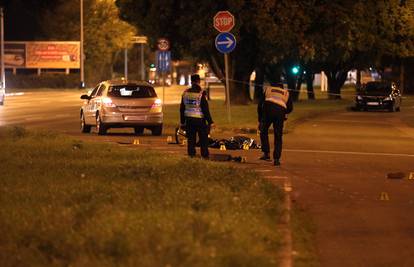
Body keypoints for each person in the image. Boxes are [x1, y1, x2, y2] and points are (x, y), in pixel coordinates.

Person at [257, 82, 293, 166]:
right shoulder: (286, 93)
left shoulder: (268, 89)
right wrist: (284, 113)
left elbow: (259, 105)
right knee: (278, 135)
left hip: (268, 110)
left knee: (263, 131)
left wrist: (260, 120)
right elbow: (290, 108)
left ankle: (266, 154)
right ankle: (276, 159)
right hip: (280, 113)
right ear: (282, 87)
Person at [180, 74, 214, 159]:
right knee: (203, 139)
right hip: (200, 120)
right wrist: (210, 122)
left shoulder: (185, 93)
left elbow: (182, 108)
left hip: (189, 120)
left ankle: (191, 154)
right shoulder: (201, 93)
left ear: (191, 81)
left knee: (191, 139)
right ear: (199, 81)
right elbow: (205, 109)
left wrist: (182, 121)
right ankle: (204, 155)